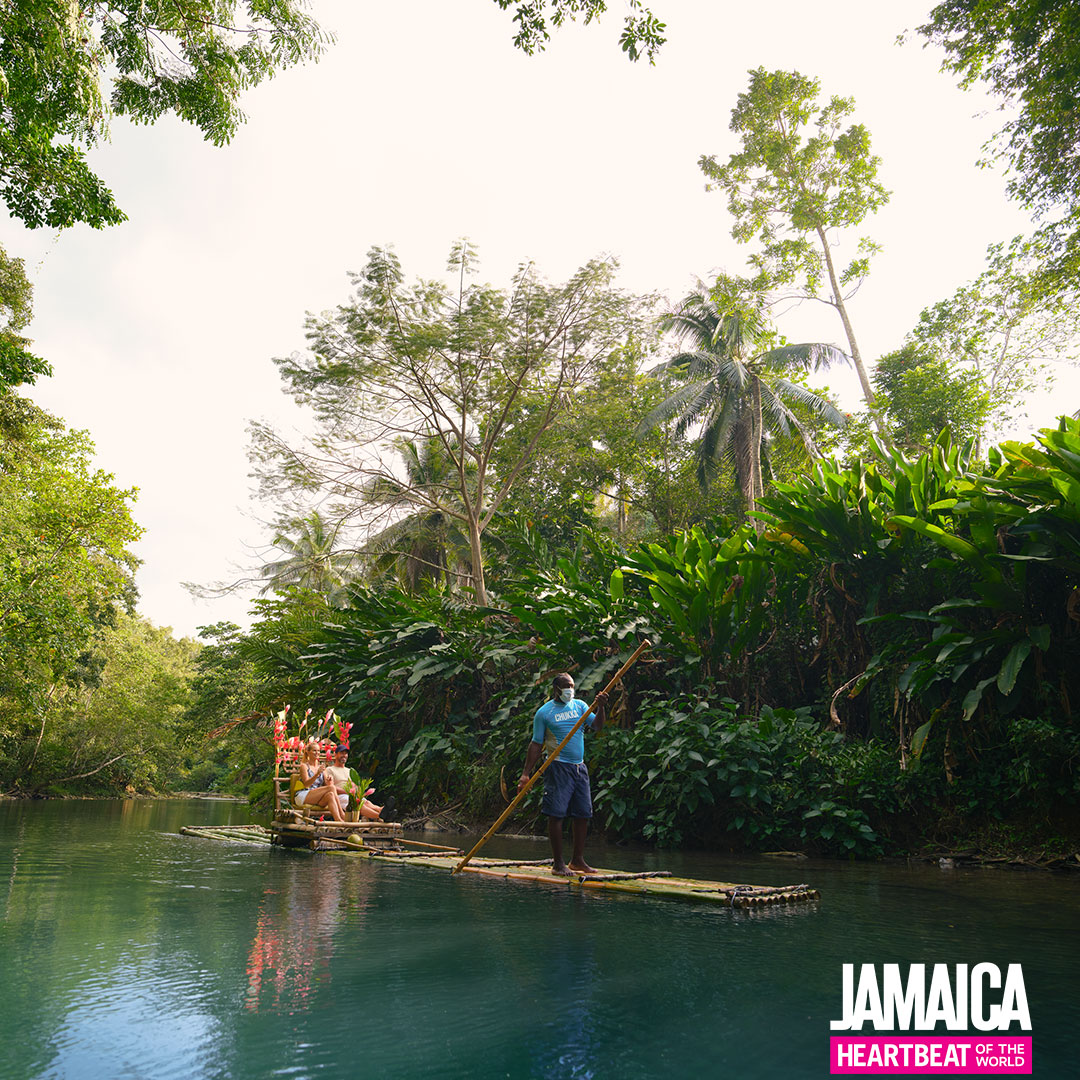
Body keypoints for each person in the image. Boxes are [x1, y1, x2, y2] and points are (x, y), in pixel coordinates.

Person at [518, 673, 607, 876]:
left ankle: (577, 861)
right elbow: (536, 743)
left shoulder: (581, 706)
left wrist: (601, 706)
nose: (570, 690)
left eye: (572, 686)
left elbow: (597, 726)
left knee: (583, 814)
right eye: (566, 686)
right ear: (556, 689)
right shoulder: (544, 713)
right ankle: (558, 864)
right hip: (557, 767)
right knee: (556, 814)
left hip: (579, 768)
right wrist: (526, 774)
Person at [323, 745, 397, 822]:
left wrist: (356, 792)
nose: (344, 755)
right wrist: (348, 791)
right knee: (358, 805)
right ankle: (381, 816)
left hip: (352, 795)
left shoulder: (349, 771)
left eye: (346, 753)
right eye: (341, 753)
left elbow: (355, 786)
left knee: (367, 802)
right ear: (335, 754)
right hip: (339, 797)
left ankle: (382, 810)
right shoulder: (330, 770)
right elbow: (330, 787)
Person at [295, 740, 349, 823]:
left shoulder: (322, 767)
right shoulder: (304, 766)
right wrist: (317, 774)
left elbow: (328, 785)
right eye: (314, 750)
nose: (317, 753)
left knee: (330, 795)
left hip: (317, 796)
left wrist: (329, 780)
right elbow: (306, 784)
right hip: (303, 795)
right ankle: (342, 813)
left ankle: (339, 820)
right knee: (331, 788)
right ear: (308, 752)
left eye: (318, 751)